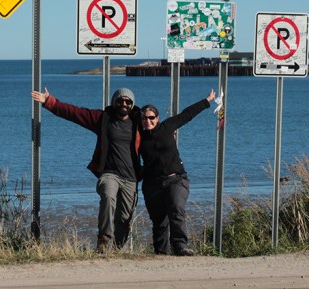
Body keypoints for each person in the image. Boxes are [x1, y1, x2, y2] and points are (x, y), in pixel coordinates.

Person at [32, 87, 141, 253]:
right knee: (107, 196)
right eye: (120, 100)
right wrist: (50, 102)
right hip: (109, 173)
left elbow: (157, 130)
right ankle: (103, 241)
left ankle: (120, 248)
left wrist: (169, 135)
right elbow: (75, 113)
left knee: (124, 217)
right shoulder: (103, 119)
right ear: (114, 102)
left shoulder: (139, 123)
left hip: (130, 178)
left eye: (127, 101)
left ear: (132, 104)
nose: (123, 104)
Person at [138, 89, 216, 256]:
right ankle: (161, 253)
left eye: (151, 118)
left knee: (176, 207)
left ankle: (180, 246)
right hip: (152, 183)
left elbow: (187, 114)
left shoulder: (167, 126)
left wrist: (207, 101)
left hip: (176, 179)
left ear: (157, 118)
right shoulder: (138, 137)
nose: (148, 121)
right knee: (159, 221)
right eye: (144, 118)